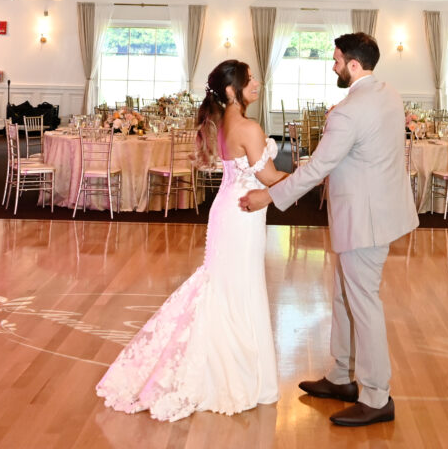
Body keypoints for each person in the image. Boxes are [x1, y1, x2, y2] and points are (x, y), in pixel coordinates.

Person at [240, 32, 417, 428]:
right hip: (378, 213)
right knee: (342, 295)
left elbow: (319, 168)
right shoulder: (388, 93)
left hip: (364, 221)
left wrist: (268, 196)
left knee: (364, 304)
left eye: (337, 61)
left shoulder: (347, 112)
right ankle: (341, 376)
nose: (332, 66)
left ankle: (376, 396)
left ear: (353, 65)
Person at [96, 60, 287, 422]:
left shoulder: (224, 122)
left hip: (229, 210)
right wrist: (311, 173)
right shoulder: (248, 127)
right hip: (242, 215)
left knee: (226, 286)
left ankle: (222, 363)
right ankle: (229, 374)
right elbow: (269, 176)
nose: (256, 83)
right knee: (239, 287)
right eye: (249, 79)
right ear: (231, 90)